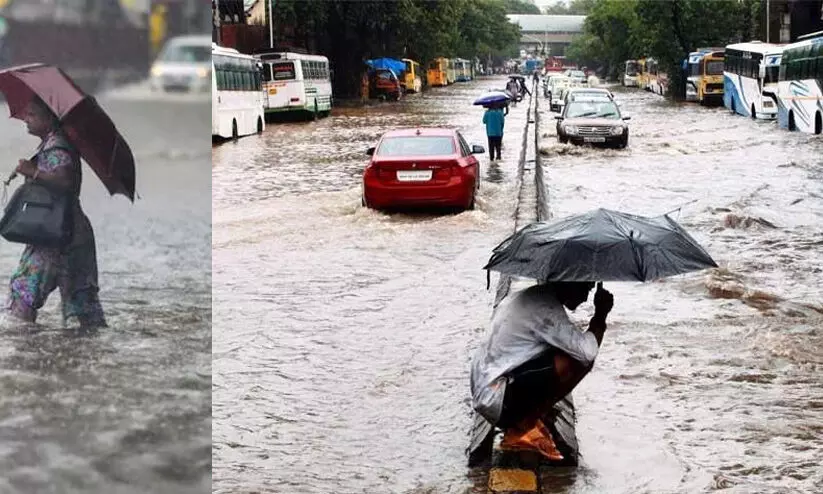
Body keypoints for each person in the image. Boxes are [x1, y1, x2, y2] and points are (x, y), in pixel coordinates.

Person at [470, 281, 613, 461]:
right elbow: (587, 353)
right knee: (577, 362)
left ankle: (526, 420)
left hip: (489, 390)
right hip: (497, 398)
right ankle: (521, 428)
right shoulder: (546, 308)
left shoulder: (532, 297)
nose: (585, 298)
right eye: (585, 289)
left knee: (563, 351)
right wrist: (600, 315)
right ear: (569, 283)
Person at [5, 97, 107, 329]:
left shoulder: (58, 146)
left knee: (23, 295)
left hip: (54, 235)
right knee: (84, 306)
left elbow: (65, 180)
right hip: (73, 233)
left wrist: (34, 172)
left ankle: (21, 353)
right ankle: (92, 350)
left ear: (50, 118)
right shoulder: (54, 143)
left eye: (32, 115)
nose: (26, 119)